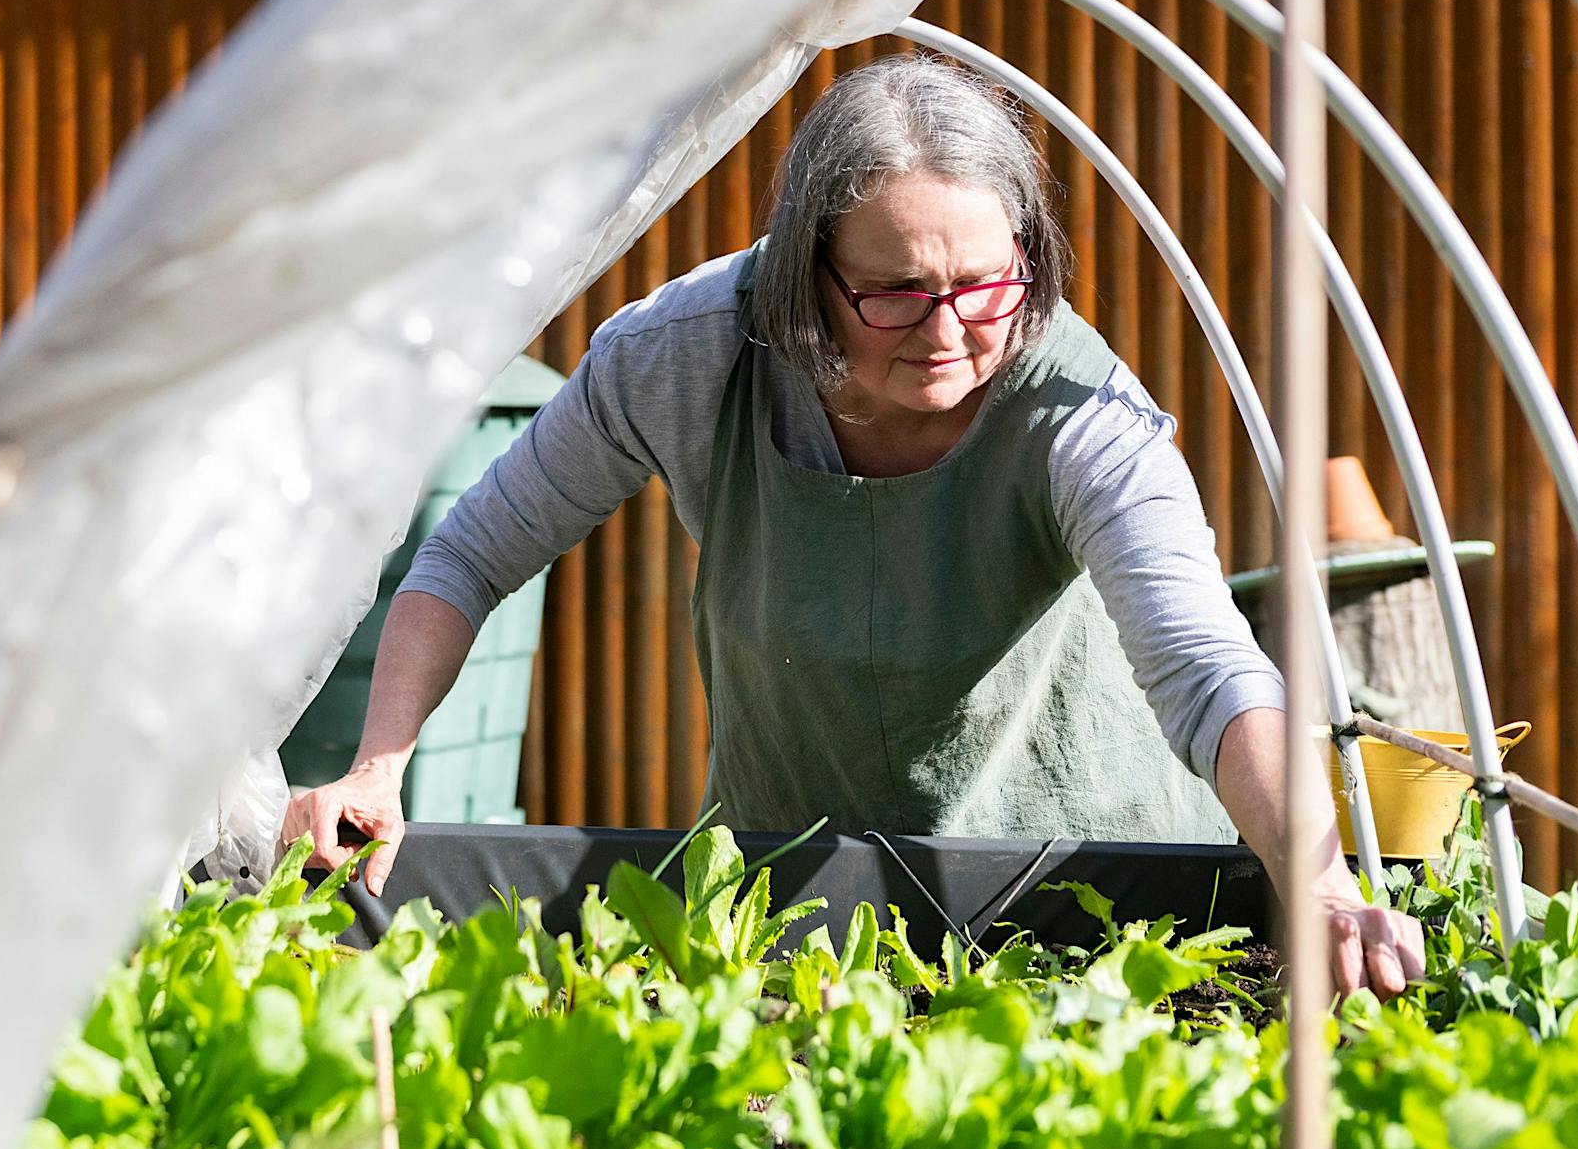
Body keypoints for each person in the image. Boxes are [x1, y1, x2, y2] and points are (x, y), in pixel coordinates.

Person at [285, 56, 1425, 999]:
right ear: (802, 271)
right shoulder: (684, 357)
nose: (947, 330)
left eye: (984, 283)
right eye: (895, 290)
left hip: (1086, 896)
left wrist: (1321, 888)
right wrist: (376, 768)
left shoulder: (1079, 409)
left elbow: (1205, 664)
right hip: (794, 909)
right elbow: (468, 552)